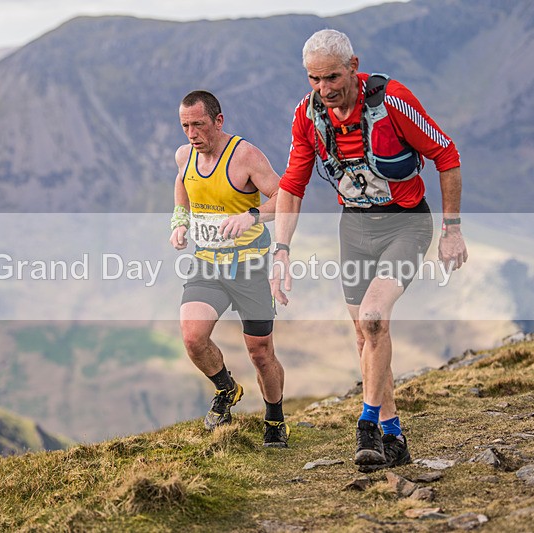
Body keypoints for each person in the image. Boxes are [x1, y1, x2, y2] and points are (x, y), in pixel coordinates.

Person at [271, 30, 468, 469]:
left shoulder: (393, 101)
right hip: (355, 230)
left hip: (406, 223)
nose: (324, 88)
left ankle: (366, 427)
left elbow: (446, 152)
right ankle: (395, 437)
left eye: (333, 77)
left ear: (355, 65)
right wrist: (281, 250)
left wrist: (452, 228)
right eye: (314, 79)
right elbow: (292, 185)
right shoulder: (307, 116)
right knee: (366, 335)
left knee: (374, 318)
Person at [170, 90, 289, 447]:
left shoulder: (245, 156)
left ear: (218, 121)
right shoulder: (184, 156)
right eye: (185, 126)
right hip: (208, 263)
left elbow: (285, 196)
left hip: (249, 266)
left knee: (260, 352)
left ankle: (274, 419)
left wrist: (250, 215)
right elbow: (183, 184)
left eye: (199, 125)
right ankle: (227, 389)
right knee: (193, 337)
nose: (192, 134)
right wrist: (179, 221)